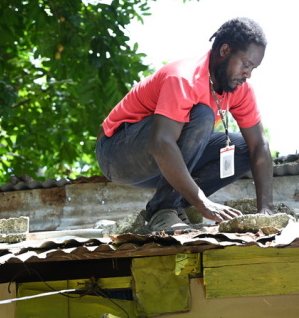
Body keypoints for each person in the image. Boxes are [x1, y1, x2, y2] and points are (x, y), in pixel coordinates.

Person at [95, 17, 274, 233]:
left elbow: (259, 146)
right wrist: (202, 202)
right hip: (117, 155)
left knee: (244, 149)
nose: (248, 74)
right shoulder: (184, 78)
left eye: (253, 68)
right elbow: (161, 144)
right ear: (225, 50)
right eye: (246, 64)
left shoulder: (239, 90)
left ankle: (175, 204)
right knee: (201, 115)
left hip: (162, 166)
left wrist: (266, 210)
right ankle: (162, 210)